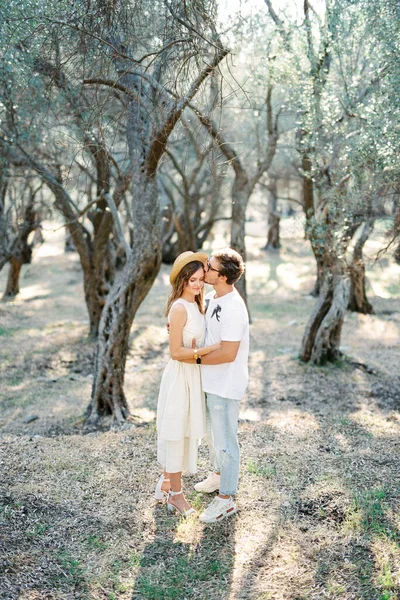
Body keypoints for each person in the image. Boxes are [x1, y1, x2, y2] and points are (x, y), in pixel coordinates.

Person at [155, 251, 221, 517]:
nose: (196, 284)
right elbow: (175, 353)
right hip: (181, 375)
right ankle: (176, 496)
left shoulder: (198, 305)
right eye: (191, 280)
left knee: (183, 431)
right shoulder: (180, 308)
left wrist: (197, 349)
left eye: (199, 279)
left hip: (194, 375)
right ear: (181, 281)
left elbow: (190, 344)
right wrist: (209, 349)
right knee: (176, 433)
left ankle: (166, 481)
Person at [194, 248, 249, 524]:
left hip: (226, 385)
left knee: (227, 442)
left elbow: (228, 353)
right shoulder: (212, 297)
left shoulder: (234, 308)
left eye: (210, 267)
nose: (205, 270)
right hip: (210, 381)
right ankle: (217, 476)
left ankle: (226, 499)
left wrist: (196, 361)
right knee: (213, 436)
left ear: (224, 276)